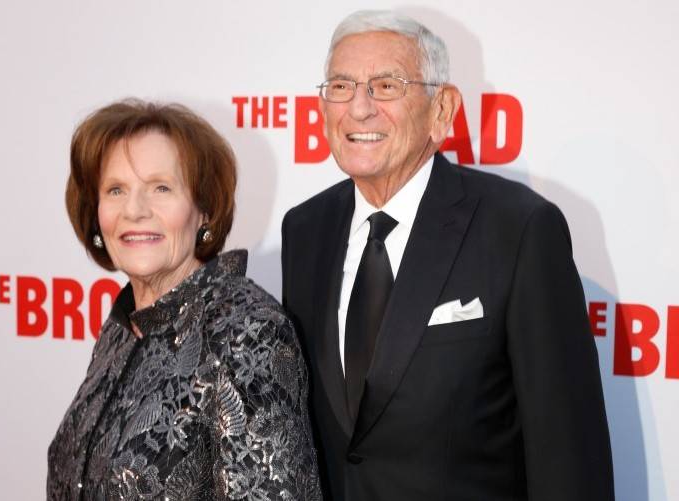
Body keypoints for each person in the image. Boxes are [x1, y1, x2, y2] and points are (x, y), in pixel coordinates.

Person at [281, 10, 614, 501]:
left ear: (442, 110)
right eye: (341, 86)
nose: (359, 108)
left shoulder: (519, 229)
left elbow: (569, 457)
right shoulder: (305, 230)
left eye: (386, 86)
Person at [48, 99, 322, 500]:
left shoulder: (246, 332)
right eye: (116, 190)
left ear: (204, 211)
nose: (134, 210)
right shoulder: (123, 328)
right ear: (96, 214)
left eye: (161, 188)